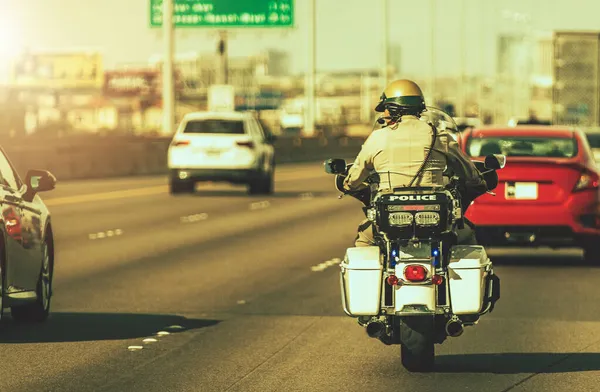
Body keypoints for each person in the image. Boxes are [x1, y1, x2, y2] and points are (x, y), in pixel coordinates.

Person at [342, 79, 488, 247]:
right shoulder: (439, 136)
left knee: (364, 240)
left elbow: (355, 176)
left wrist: (349, 185)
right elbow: (468, 172)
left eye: (386, 109)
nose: (384, 115)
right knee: (466, 236)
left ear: (394, 109)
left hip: (389, 217)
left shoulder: (378, 138)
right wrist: (478, 181)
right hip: (437, 219)